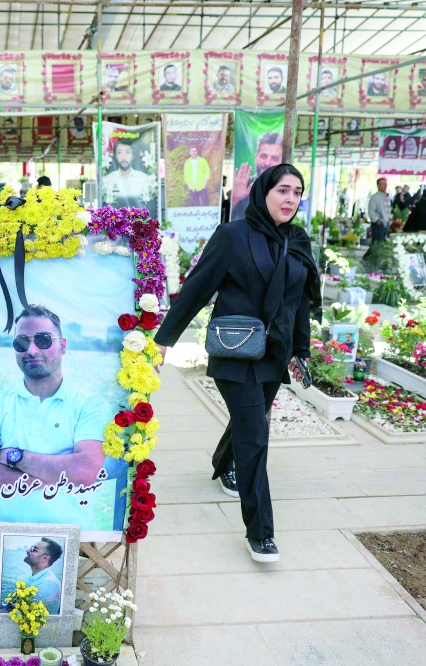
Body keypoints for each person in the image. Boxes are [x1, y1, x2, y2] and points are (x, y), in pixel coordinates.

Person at [154, 165, 320, 563]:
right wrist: (163, 340)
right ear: (263, 192)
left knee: (253, 417)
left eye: (297, 192)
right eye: (283, 190)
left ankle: (222, 460)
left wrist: (300, 350)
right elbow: (197, 289)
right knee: (256, 435)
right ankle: (260, 532)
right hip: (236, 351)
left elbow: (299, 302)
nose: (290, 200)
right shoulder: (233, 236)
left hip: (275, 353)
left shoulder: (296, 240)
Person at [0, 305, 109, 526]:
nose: (31, 350)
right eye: (22, 342)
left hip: (76, 538)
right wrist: (55, 476)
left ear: (62, 346)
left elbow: (84, 471)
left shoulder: (91, 406)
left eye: (43, 340)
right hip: (0, 536)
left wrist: (16, 457)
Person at [230, 132, 284, 221]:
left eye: (274, 158)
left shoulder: (285, 190)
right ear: (256, 158)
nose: (267, 163)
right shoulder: (243, 186)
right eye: (263, 156)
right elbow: (222, 220)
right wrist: (235, 198)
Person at [4, 539, 63, 615]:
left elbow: (24, 614)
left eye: (33, 549)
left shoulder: (48, 585)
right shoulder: (32, 577)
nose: (27, 550)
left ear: (44, 558)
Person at [102, 138, 153, 210]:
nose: (123, 157)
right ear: (115, 156)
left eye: (127, 152)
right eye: (119, 152)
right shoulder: (107, 180)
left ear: (133, 155)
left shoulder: (145, 179)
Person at [366, 177, 391, 249]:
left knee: (381, 243)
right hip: (379, 223)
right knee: (376, 243)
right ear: (378, 185)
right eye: (383, 184)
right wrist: (377, 220)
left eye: (386, 184)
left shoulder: (387, 196)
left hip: (386, 223)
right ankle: (368, 258)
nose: (385, 186)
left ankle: (375, 258)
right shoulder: (375, 197)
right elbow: (371, 210)